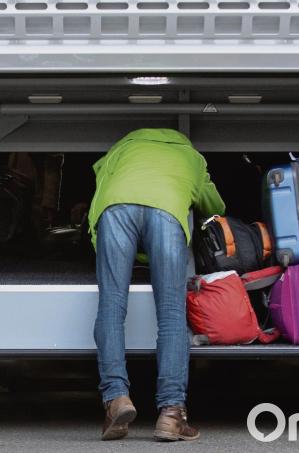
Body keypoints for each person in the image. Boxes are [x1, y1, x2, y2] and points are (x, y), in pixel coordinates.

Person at [87, 128, 225, 442]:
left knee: (111, 307)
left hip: (116, 209)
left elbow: (100, 180)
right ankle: (172, 414)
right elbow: (215, 206)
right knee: (172, 315)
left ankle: (116, 398)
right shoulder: (192, 157)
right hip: (167, 212)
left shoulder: (120, 149)